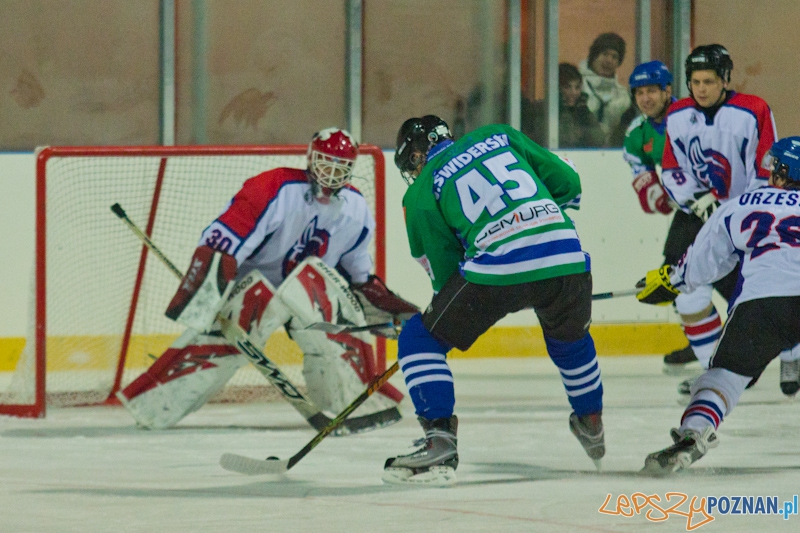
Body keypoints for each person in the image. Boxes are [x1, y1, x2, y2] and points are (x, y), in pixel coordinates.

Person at [118, 128, 420, 430]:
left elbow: (358, 280)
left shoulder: (356, 211)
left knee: (334, 317)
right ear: (311, 159)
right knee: (221, 343)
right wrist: (208, 292)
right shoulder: (274, 188)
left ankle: (355, 403)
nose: (330, 174)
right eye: (325, 163)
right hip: (255, 289)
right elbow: (222, 242)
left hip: (312, 295)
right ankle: (155, 406)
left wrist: (395, 312)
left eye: (339, 167)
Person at [383, 115, 604, 486]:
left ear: (419, 155)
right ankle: (591, 421)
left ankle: (439, 439)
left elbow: (446, 272)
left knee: (420, 338)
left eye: (412, 164)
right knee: (570, 341)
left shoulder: (420, 192)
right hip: (566, 256)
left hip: (497, 271)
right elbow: (568, 182)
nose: (413, 172)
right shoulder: (498, 135)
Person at [635, 136, 800, 475]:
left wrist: (673, 281)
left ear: (782, 173)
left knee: (724, 377)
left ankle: (694, 435)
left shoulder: (746, 202)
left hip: (764, 304)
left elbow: (706, 258)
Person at [657, 44, 790, 396]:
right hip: (699, 214)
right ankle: (712, 371)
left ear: (725, 79)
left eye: (709, 81)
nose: (701, 88)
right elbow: (671, 169)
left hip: (745, 214)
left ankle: (790, 353)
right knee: (683, 288)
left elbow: (767, 164)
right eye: (695, 81)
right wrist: (697, 200)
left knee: (760, 291)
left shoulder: (752, 109)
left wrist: (746, 207)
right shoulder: (678, 115)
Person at [621, 60, 701, 373]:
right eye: (639, 92)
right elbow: (644, 180)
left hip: (722, 202)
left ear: (667, 90)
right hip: (689, 210)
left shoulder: (692, 115)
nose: (645, 98)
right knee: (673, 269)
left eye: (652, 90)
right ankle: (700, 339)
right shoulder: (637, 133)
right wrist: (660, 196)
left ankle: (787, 342)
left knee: (734, 275)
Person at [527, 63, 606, 148]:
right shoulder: (541, 110)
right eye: (567, 87)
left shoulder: (581, 110)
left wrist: (585, 114)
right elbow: (564, 140)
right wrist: (563, 110)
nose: (574, 93)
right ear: (557, 88)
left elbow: (599, 140)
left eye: (577, 87)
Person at [579, 32, 632, 146]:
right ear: (594, 56)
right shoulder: (577, 87)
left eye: (614, 57)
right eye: (604, 54)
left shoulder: (623, 96)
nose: (609, 60)